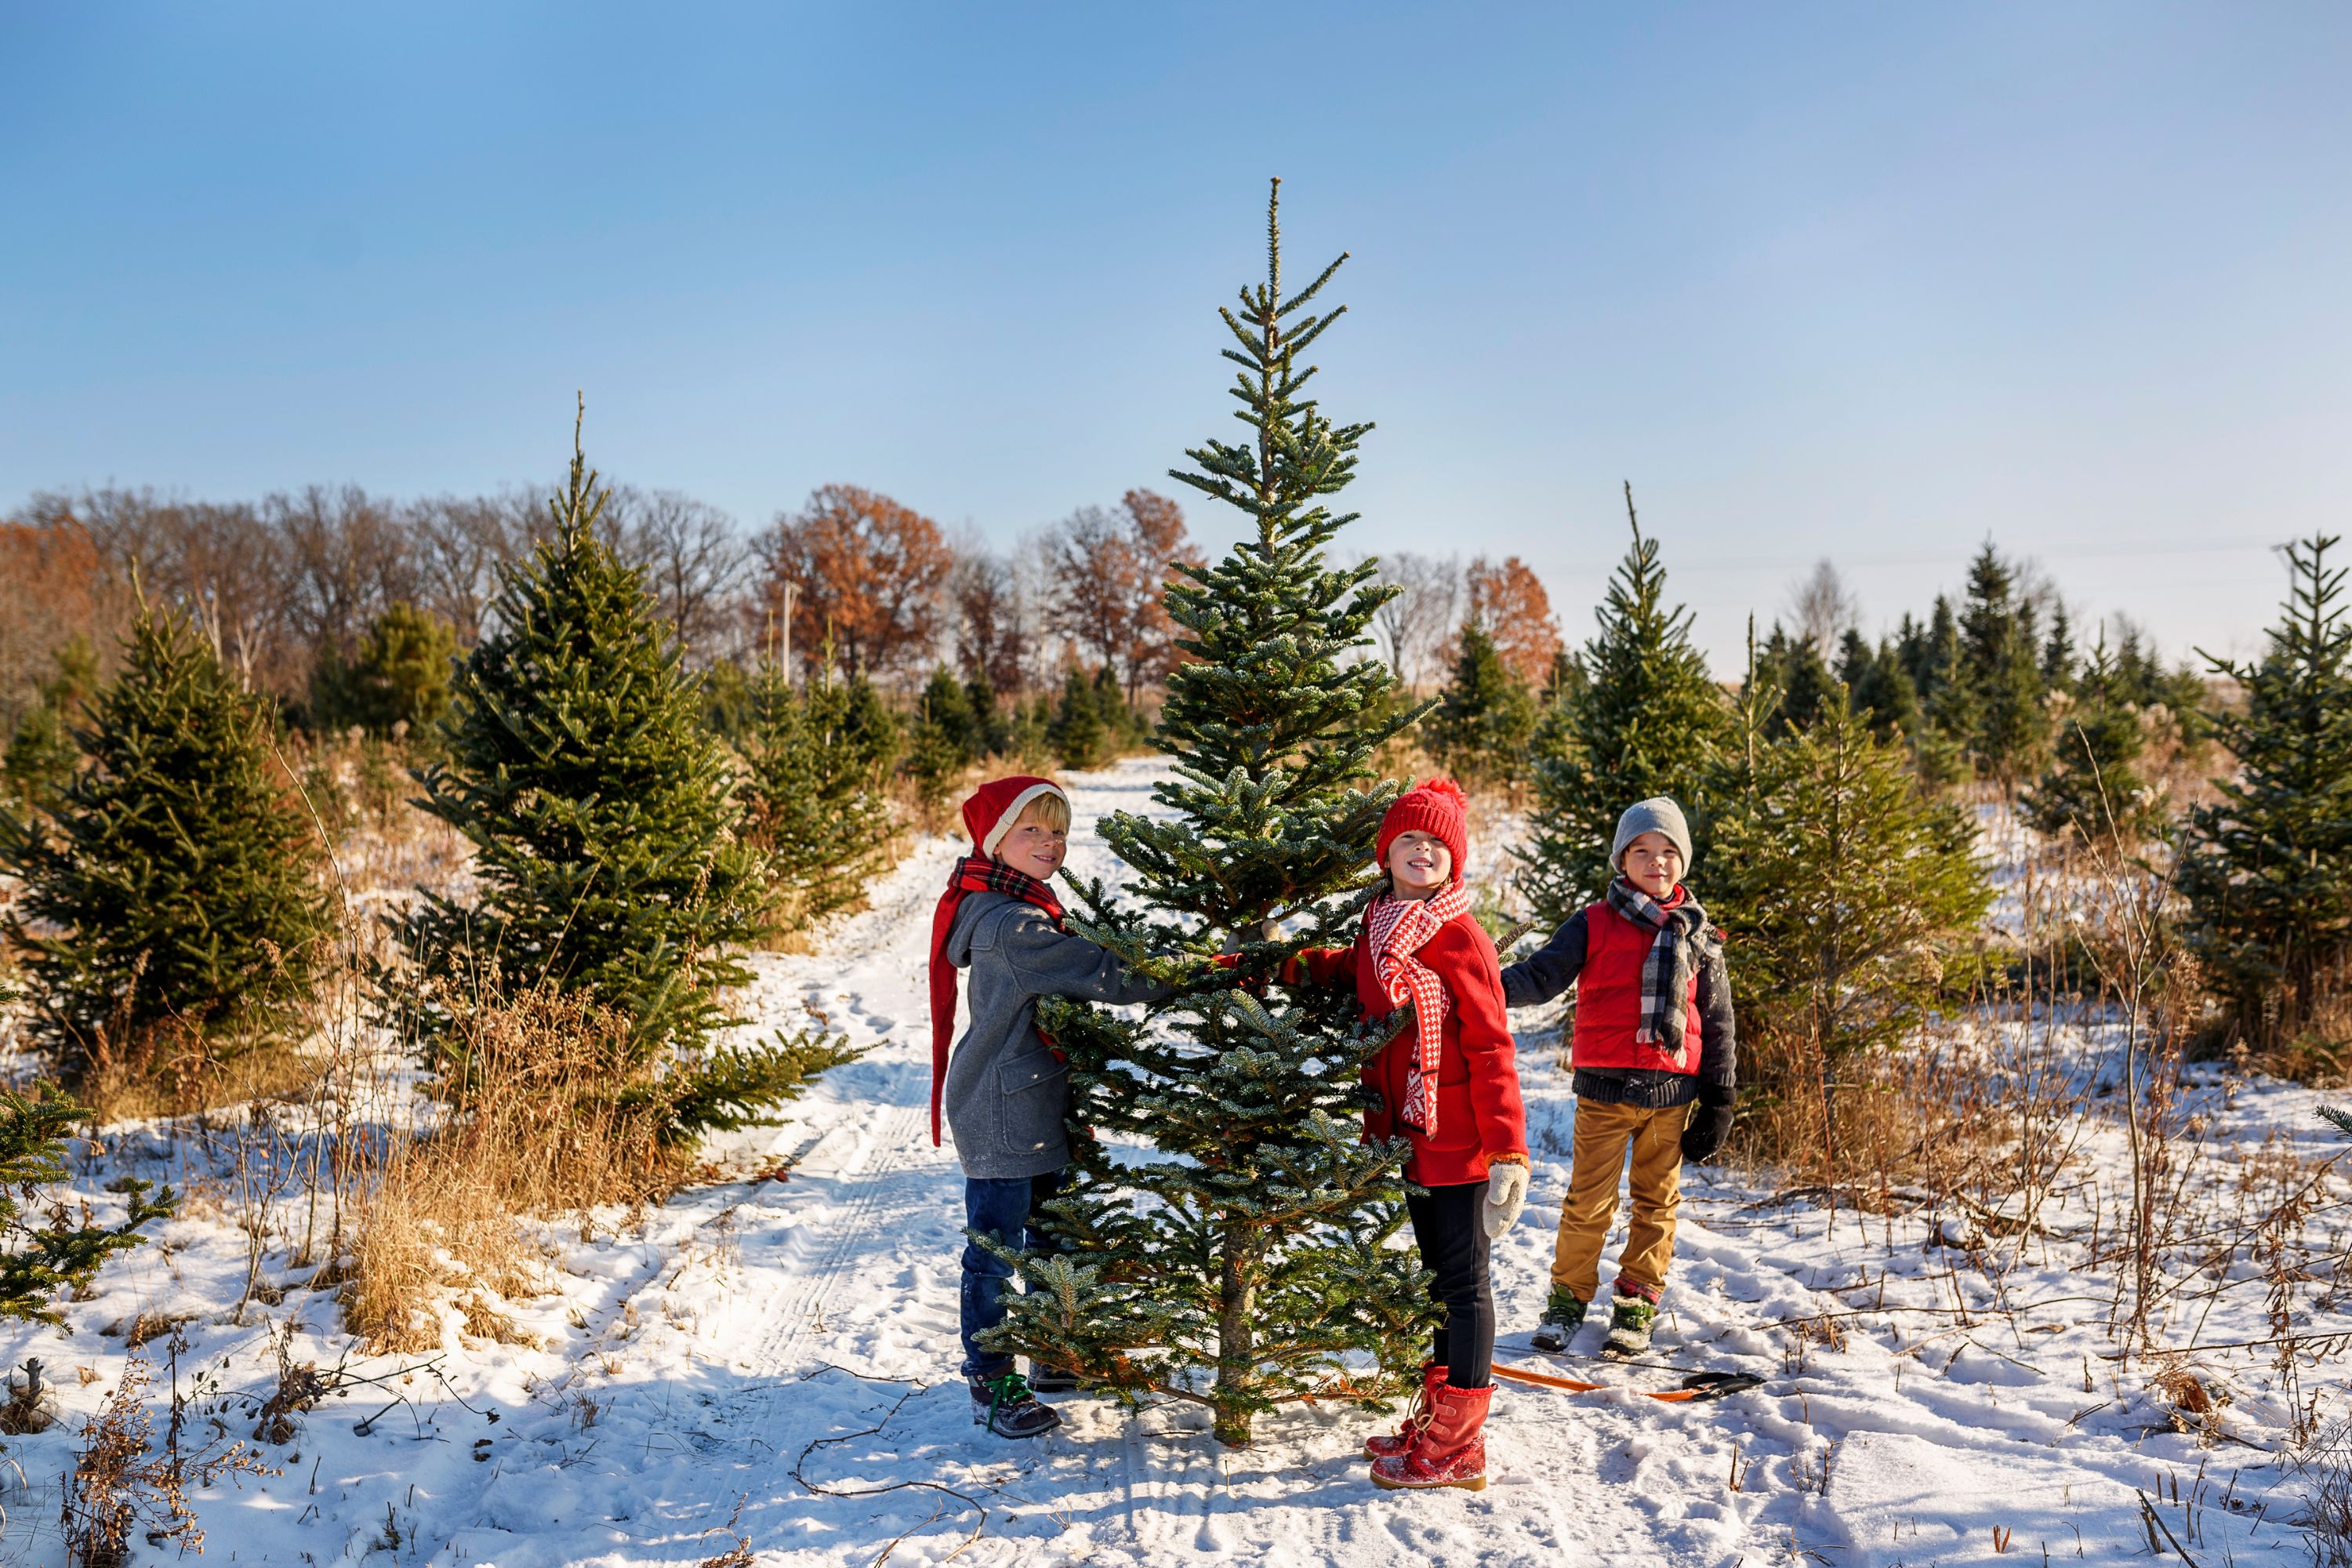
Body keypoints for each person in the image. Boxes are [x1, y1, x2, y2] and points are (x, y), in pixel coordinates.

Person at [1290, 777, 1528, 1492]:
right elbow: (1350, 975)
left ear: (1454, 861)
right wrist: (1284, 965)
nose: (1422, 851)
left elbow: (1492, 1048)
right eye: (1408, 840)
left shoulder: (1462, 939)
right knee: (1435, 1283)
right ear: (1385, 855)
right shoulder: (1380, 926)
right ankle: (1436, 1421)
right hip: (1408, 1138)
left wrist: (1509, 1150)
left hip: (1459, 1141)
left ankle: (1458, 1448)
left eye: (1436, 843)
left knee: (1464, 1284)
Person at [929, 775, 1170, 1438]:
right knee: (996, 1251)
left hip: (1033, 1103)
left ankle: (1054, 1357)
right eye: (1031, 829)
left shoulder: (1019, 904)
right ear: (995, 840)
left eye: (1057, 830)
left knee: (1052, 1236)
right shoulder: (1012, 924)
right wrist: (1192, 969)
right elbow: (1106, 972)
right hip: (1003, 1110)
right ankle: (991, 1381)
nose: (1049, 843)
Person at [1501, 796, 1737, 1359]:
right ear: (1621, 860)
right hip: (1604, 1093)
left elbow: (1720, 1020)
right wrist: (1483, 982)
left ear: (1683, 861)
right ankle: (1566, 1302)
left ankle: (1636, 1305)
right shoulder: (1593, 923)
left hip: (1671, 1096)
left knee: (1657, 1203)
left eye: (1668, 852)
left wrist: (1720, 1099)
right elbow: (1542, 975)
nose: (1656, 862)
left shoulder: (1700, 937)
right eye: (1642, 851)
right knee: (1588, 1202)